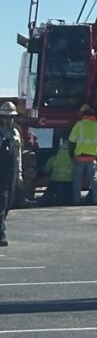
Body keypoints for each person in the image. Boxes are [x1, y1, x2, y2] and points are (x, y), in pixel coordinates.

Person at [68, 103, 97, 205]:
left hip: (79, 157)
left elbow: (71, 141)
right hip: (92, 158)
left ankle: (76, 200)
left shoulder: (79, 125)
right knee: (94, 180)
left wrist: (71, 154)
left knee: (77, 181)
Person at [0, 101, 23, 245]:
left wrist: (19, 173)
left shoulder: (16, 133)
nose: (8, 120)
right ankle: (1, 234)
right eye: (6, 117)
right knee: (1, 203)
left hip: (11, 172)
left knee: (8, 203)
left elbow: (18, 154)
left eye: (11, 117)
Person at [42, 138, 75, 206]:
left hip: (55, 181)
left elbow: (47, 168)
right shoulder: (72, 157)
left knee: (46, 199)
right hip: (68, 182)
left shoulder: (56, 156)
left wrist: (43, 170)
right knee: (68, 199)